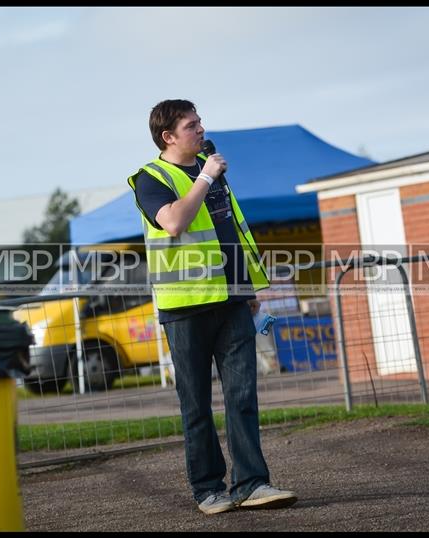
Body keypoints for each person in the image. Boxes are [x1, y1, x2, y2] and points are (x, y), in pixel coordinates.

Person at [127, 99, 297, 515]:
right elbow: (173, 222)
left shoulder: (212, 171)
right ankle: (208, 491)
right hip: (185, 306)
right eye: (191, 125)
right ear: (168, 137)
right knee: (197, 404)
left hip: (232, 298)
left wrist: (248, 290)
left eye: (200, 122)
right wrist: (204, 176)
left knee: (242, 397)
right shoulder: (151, 178)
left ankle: (251, 484)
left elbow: (228, 230)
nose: (201, 129)